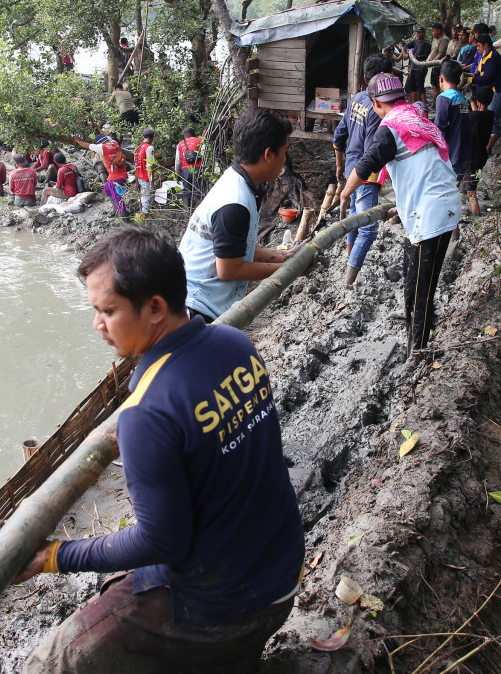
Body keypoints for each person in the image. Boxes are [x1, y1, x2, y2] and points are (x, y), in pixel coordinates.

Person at [18, 226, 303, 674]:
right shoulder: (236, 343)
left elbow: (159, 541)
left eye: (107, 311)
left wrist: (54, 556)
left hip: (227, 606)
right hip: (283, 575)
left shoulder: (145, 414)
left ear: (154, 307)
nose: (97, 325)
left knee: (49, 664)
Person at [339, 73, 464, 352]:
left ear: (375, 103)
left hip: (432, 212)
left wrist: (345, 194)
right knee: (413, 277)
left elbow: (365, 165)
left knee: (421, 289)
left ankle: (417, 350)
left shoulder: (391, 127)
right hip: (438, 205)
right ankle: (413, 335)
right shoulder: (416, 116)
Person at [178, 108, 299, 322]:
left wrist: (285, 256)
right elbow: (229, 269)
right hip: (196, 308)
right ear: (268, 154)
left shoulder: (237, 181)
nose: (285, 159)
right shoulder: (235, 203)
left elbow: (241, 249)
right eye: (284, 151)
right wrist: (288, 270)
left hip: (197, 299)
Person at [333, 52, 395, 287]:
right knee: (368, 229)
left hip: (351, 168)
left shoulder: (357, 98)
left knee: (354, 218)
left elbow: (339, 136)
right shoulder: (378, 108)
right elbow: (372, 153)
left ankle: (350, 258)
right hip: (365, 175)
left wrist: (340, 164)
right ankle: (349, 281)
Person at [455, 87, 496, 215]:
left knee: (472, 192)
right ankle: (463, 193)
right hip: (481, 155)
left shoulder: (474, 116)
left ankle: (476, 215)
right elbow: (477, 114)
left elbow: (472, 116)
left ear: (478, 100)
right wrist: (474, 103)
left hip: (472, 156)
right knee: (469, 180)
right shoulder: (490, 115)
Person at [73, 129, 128, 216]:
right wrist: (97, 127)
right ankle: (116, 210)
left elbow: (87, 145)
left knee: (119, 201)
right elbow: (106, 135)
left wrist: (77, 140)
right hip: (123, 174)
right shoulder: (114, 143)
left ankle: (125, 221)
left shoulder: (102, 147)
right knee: (106, 187)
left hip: (115, 178)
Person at [470, 33, 501, 144]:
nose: (477, 49)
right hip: (491, 92)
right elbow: (479, 74)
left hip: (498, 92)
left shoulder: (494, 57)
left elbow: (486, 78)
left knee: (492, 119)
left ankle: (489, 145)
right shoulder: (485, 56)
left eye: (479, 46)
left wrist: (471, 80)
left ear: (486, 45)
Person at [433, 61, 470, 177]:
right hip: (464, 153)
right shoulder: (463, 99)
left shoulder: (444, 98)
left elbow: (440, 128)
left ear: (441, 78)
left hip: (451, 155)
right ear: (459, 81)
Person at [175, 127, 206, 210]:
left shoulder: (180, 144)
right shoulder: (200, 141)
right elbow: (204, 156)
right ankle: (200, 211)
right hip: (198, 169)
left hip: (185, 171)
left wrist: (177, 175)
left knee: (187, 193)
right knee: (199, 192)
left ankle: (189, 211)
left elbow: (178, 161)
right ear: (194, 134)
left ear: (185, 135)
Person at [135, 128, 158, 219]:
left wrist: (137, 182)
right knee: (145, 200)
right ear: (153, 138)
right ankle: (143, 221)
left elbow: (136, 166)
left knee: (145, 198)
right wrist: (151, 181)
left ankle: (146, 216)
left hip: (140, 178)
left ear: (142, 137)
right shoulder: (149, 148)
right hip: (146, 178)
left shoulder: (137, 149)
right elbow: (149, 166)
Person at [403, 27, 430, 103]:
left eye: (420, 32)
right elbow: (406, 46)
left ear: (423, 33)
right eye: (417, 32)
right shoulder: (415, 42)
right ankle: (414, 103)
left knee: (420, 86)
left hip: (421, 68)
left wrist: (418, 57)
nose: (418, 34)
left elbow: (427, 55)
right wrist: (408, 51)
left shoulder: (426, 44)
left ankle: (423, 103)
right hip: (414, 68)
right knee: (412, 87)